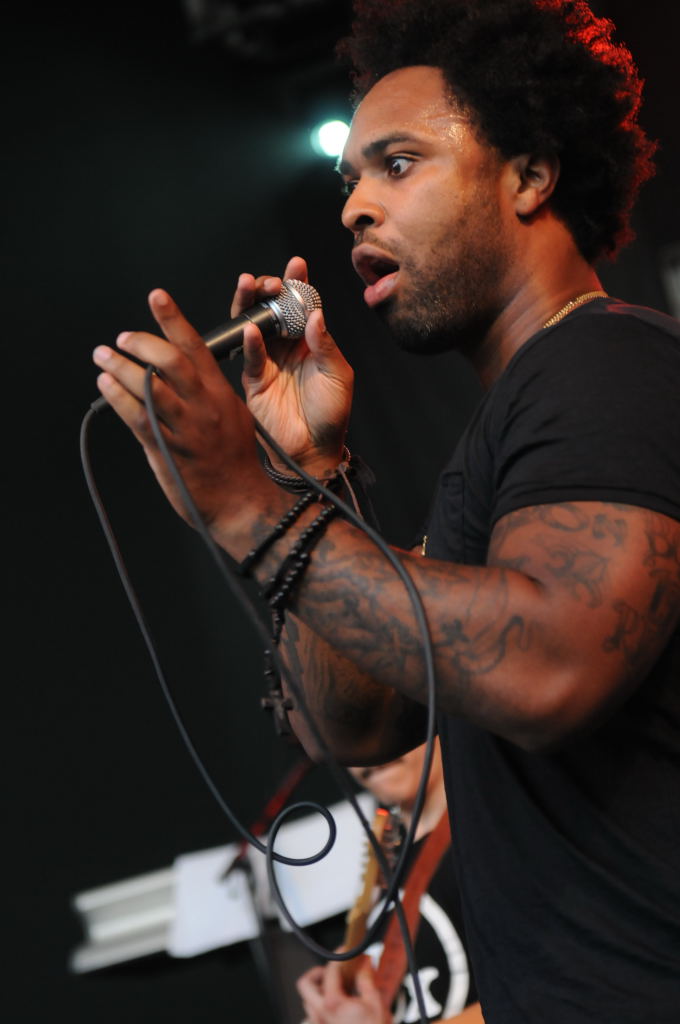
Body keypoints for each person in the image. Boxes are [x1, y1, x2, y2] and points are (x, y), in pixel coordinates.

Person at [91, 0, 680, 1020]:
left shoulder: (606, 366)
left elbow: (548, 668)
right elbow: (353, 723)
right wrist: (305, 474)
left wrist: (248, 508)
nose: (355, 209)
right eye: (348, 182)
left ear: (530, 175)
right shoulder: (507, 435)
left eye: (397, 165)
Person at [296, 742, 483, 1023]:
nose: (367, 752)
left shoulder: (489, 834)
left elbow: (539, 997)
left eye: (381, 724)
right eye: (345, 733)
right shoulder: (386, 863)